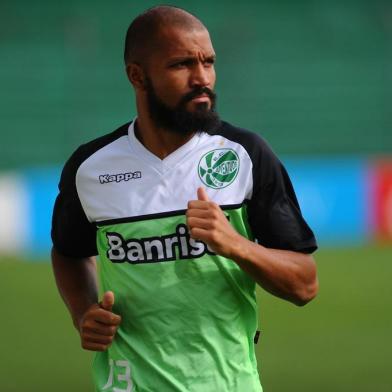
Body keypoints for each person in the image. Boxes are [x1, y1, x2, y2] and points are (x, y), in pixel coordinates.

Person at [51, 5, 318, 392]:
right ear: (137, 76)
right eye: (181, 65)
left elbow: (305, 284)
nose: (202, 78)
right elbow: (68, 252)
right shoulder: (90, 167)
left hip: (228, 384)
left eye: (208, 62)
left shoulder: (244, 154)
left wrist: (235, 245)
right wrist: (83, 312)